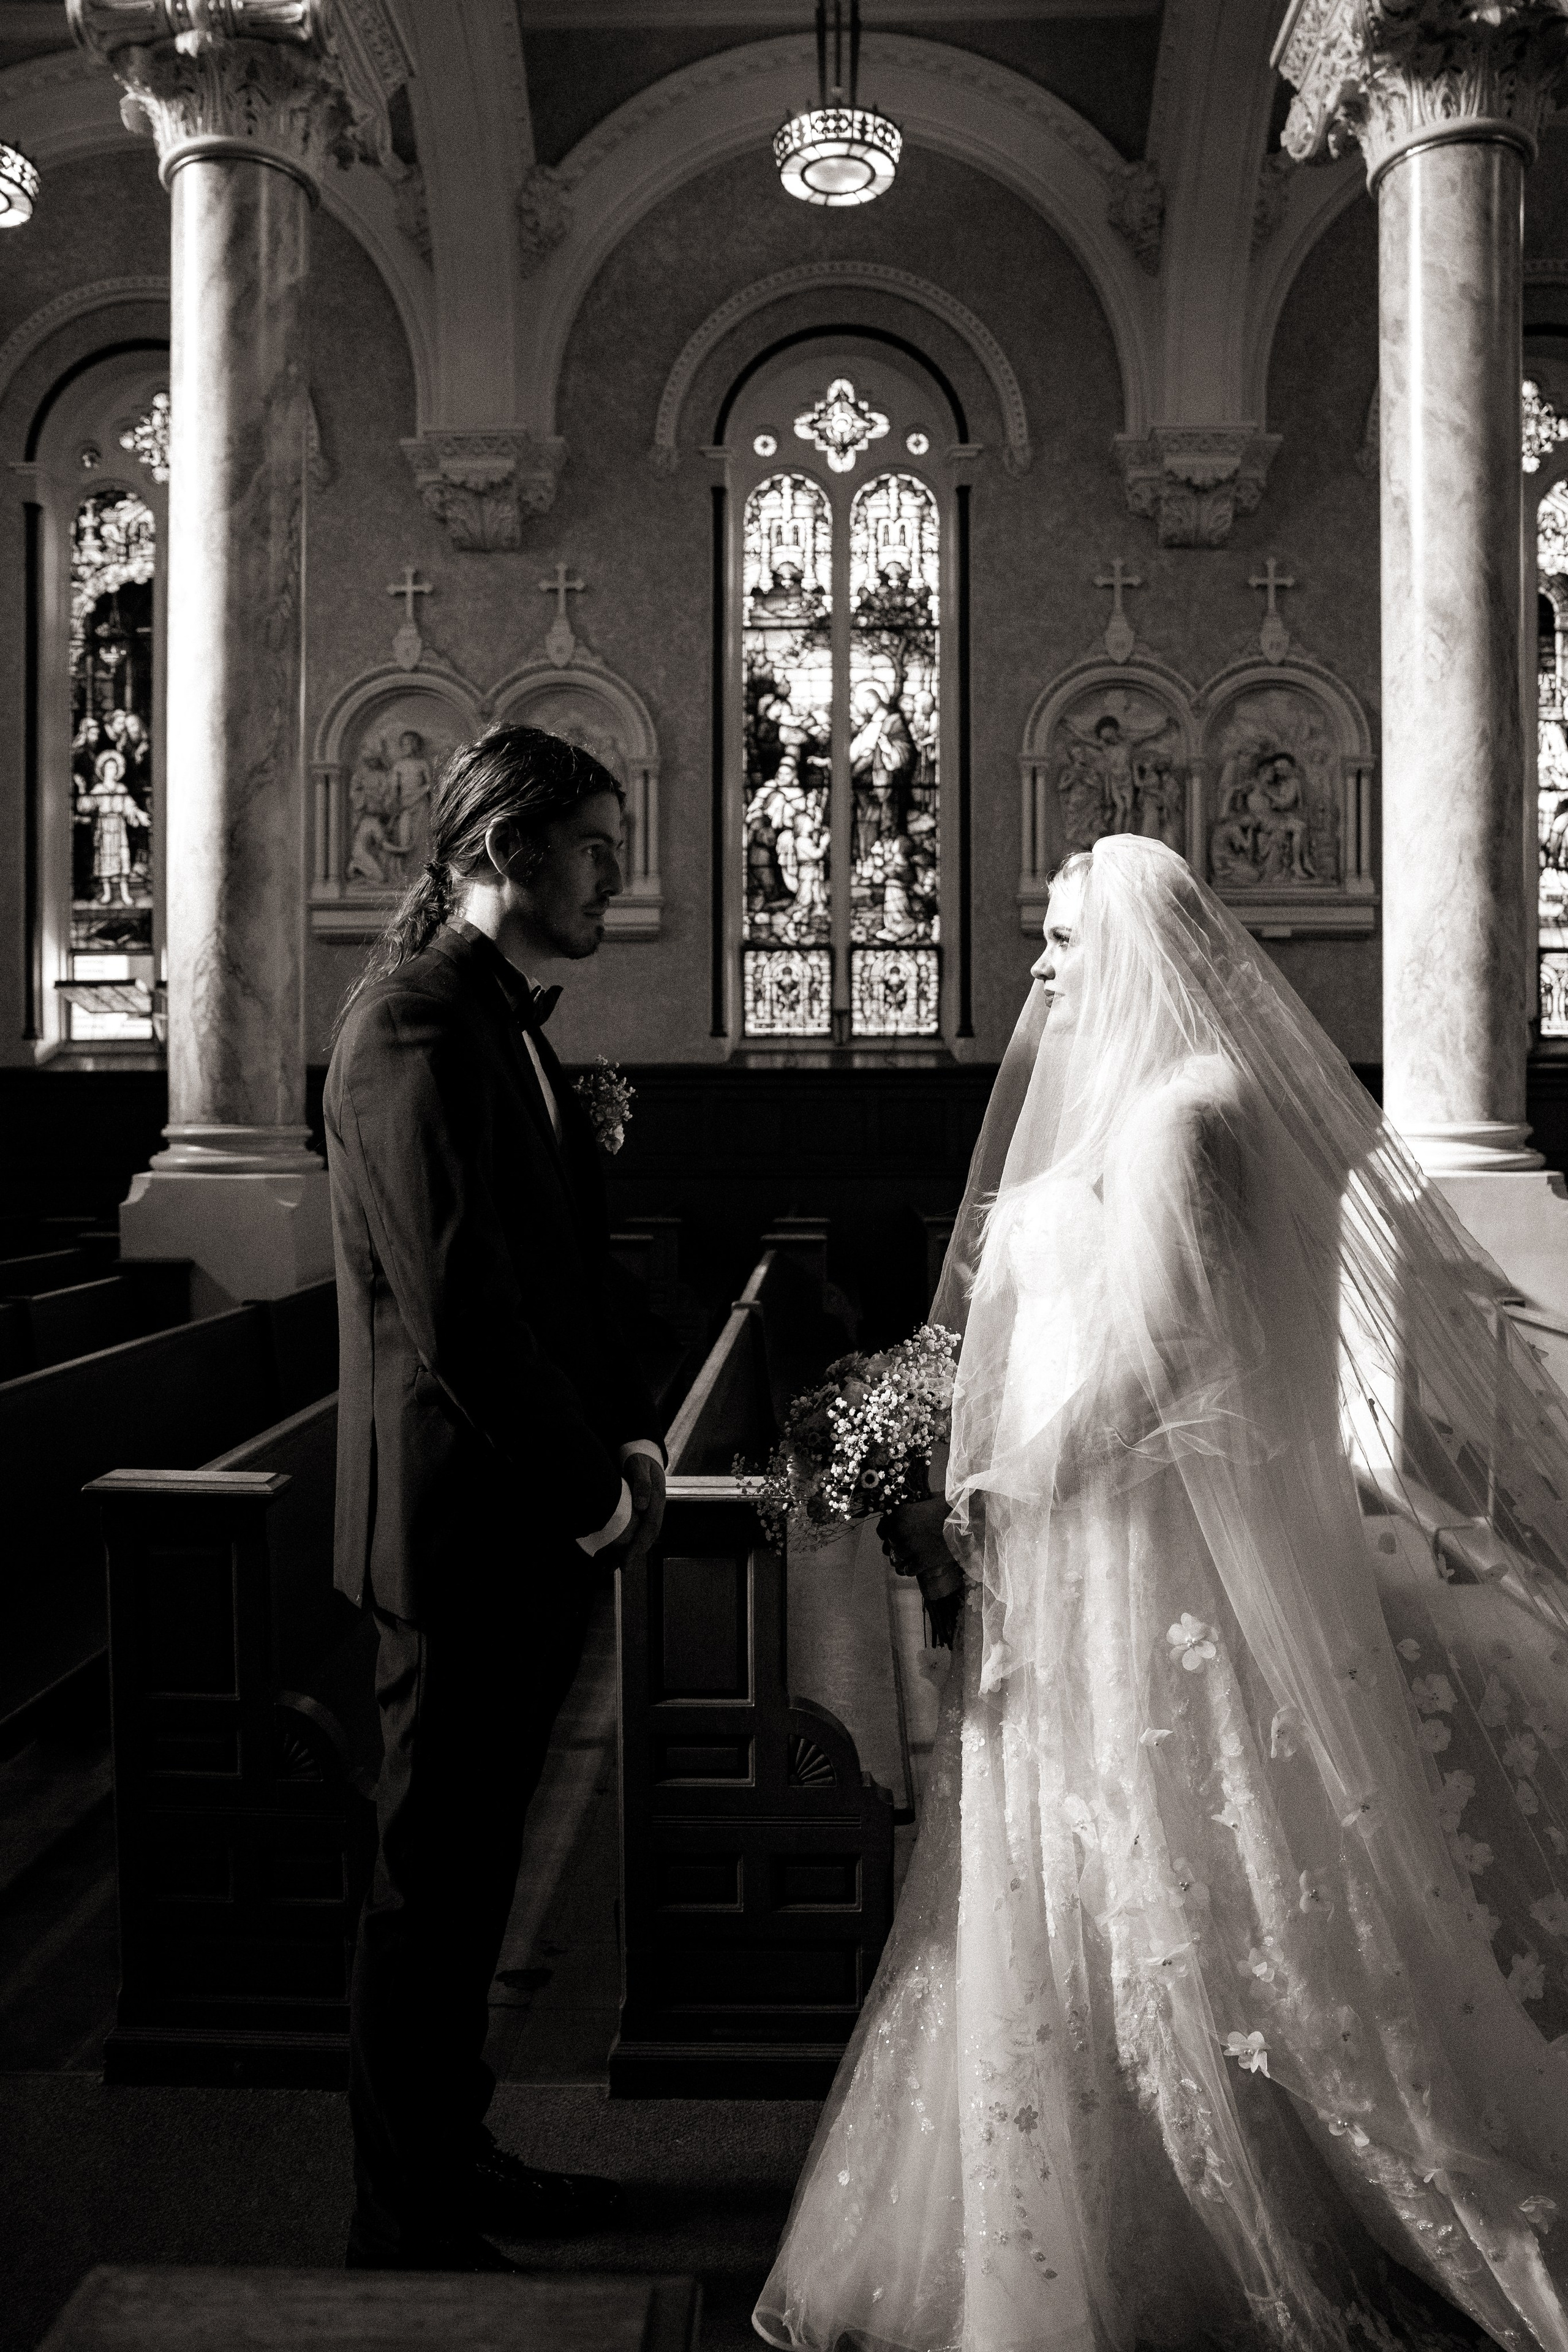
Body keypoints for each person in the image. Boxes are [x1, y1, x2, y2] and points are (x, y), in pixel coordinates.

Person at [756, 834, 1568, 2352]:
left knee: (1175, 1865)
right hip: (1081, 1550)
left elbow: (1169, 1360)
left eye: (1063, 940)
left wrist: (1013, 1478)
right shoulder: (1138, 1103)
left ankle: (1246, 2212)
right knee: (1078, 1868)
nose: (1041, 968)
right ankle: (1099, 2211)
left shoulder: (1189, 1114)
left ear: (1140, 947)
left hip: (1133, 1556)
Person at [326, 725, 666, 2274]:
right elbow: (459, 1311)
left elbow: (562, 1284)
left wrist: (628, 1437)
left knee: (475, 1884)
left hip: (517, 1521)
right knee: (432, 1888)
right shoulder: (413, 1021)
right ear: (507, 849)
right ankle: (402, 2224)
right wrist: (595, 1494)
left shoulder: (501, 1023)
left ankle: (452, 2154)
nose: (613, 876)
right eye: (592, 847)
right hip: (458, 1532)